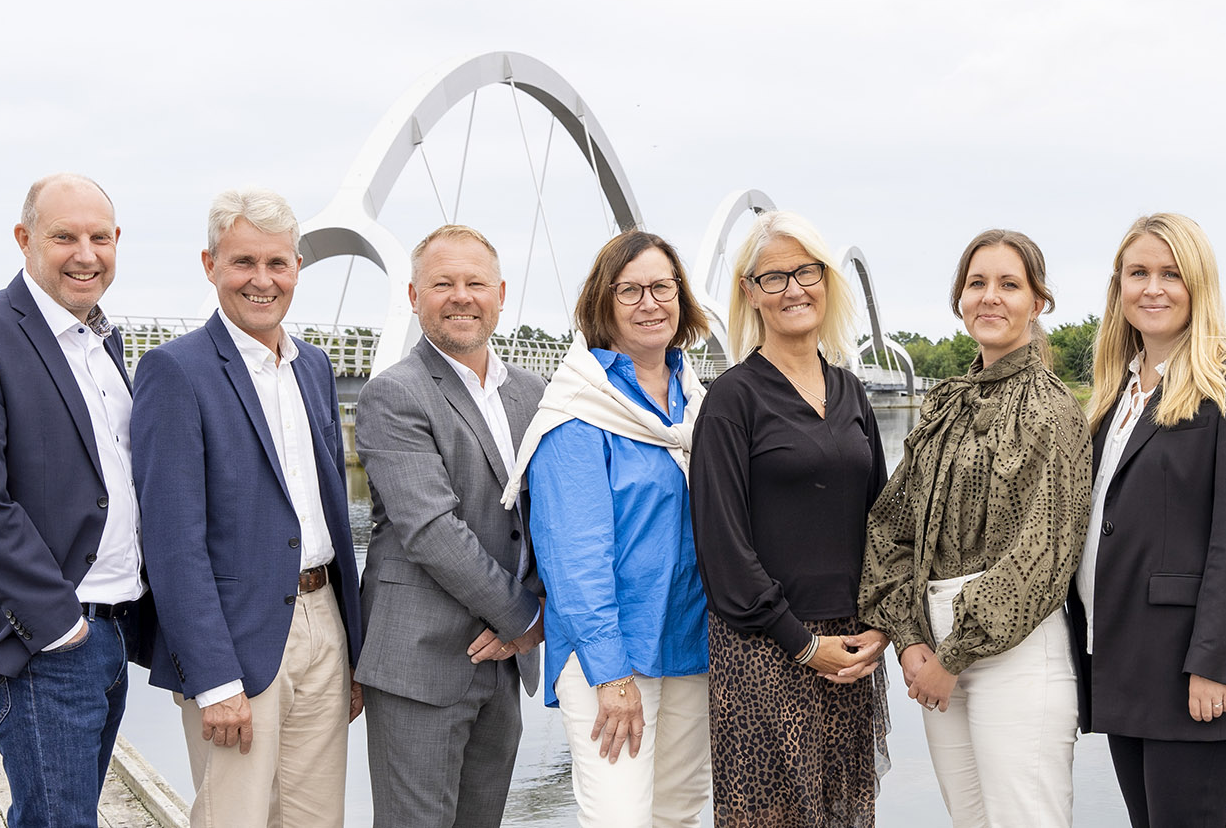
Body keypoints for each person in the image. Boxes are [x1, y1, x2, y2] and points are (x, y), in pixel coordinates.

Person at [131, 188, 364, 828]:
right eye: (242, 263)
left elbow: (331, 517)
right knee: (234, 816)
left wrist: (353, 648)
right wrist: (213, 679)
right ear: (210, 265)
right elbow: (173, 542)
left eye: (277, 263)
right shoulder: (174, 372)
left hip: (325, 626)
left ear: (296, 269)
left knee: (319, 819)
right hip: (236, 641)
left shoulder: (313, 366)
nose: (262, 281)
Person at [859, 229, 1092, 827]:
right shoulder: (944, 403)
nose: (990, 297)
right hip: (935, 648)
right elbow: (893, 527)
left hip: (1013, 654)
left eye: (1009, 285)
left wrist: (951, 655)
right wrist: (910, 639)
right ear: (959, 298)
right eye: (977, 283)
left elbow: (1042, 554)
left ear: (1038, 302)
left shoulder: (1050, 409)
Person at [0, 174, 154, 828]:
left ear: (117, 242)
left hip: (115, 629)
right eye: (64, 236)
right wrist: (59, 625)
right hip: (48, 641)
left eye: (99, 236)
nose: (85, 253)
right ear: (24, 239)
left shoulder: (104, 343)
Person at [1067, 212, 1226, 828]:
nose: (1152, 288)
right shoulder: (1115, 395)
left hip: (1188, 666)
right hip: (1119, 657)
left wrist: (1213, 663)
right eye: (1138, 273)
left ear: (1198, 285)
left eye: (1170, 274)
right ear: (1119, 287)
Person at [504, 230, 715, 827]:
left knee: (678, 814)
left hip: (692, 641)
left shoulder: (696, 400)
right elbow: (574, 559)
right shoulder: (580, 408)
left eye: (661, 287)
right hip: (613, 655)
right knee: (619, 817)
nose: (650, 303)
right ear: (604, 302)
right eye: (631, 290)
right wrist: (611, 673)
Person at [690, 210, 891, 828]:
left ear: (827, 282)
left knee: (840, 816)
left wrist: (881, 625)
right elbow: (722, 547)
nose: (794, 289)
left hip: (851, 647)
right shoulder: (733, 399)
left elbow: (884, 524)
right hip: (765, 648)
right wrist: (801, 646)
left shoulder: (852, 392)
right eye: (774, 278)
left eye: (806, 272)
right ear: (750, 293)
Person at [353, 224, 547, 827]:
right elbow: (432, 530)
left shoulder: (533, 393)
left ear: (501, 293)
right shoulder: (395, 394)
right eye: (442, 283)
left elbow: (552, 519)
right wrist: (527, 618)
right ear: (414, 297)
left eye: (475, 282)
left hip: (504, 663)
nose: (461, 296)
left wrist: (537, 611)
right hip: (420, 660)